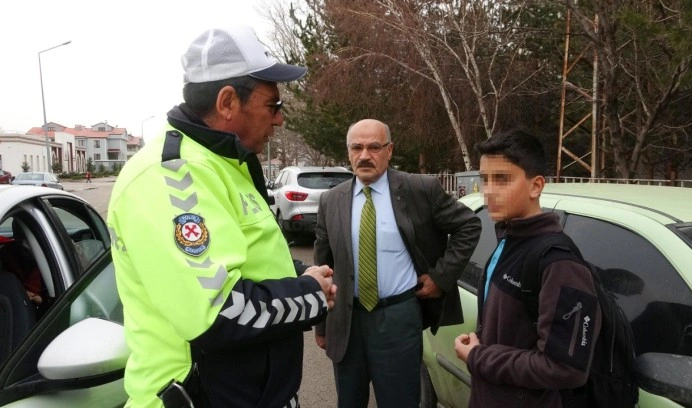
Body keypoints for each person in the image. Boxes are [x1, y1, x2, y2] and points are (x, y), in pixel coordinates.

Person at [107, 23, 337, 408]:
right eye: (273, 105)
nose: (279, 119)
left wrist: (299, 275)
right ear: (227, 102)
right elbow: (217, 313)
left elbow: (249, 263)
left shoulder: (223, 163)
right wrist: (310, 294)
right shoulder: (171, 176)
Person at [314, 119, 481, 407]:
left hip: (398, 318)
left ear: (389, 150)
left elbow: (469, 226)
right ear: (348, 151)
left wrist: (440, 277)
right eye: (357, 147)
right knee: (348, 401)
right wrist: (321, 326)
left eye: (374, 147)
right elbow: (322, 262)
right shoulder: (332, 200)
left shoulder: (420, 189)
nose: (364, 155)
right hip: (347, 321)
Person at [454, 129, 602, 407]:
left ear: (536, 186)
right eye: (485, 180)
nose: (489, 191)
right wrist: (481, 343)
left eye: (502, 179)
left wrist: (478, 356)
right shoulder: (508, 239)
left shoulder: (559, 263)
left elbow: (565, 368)